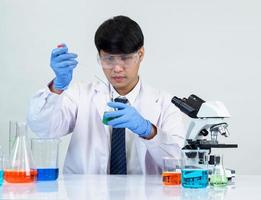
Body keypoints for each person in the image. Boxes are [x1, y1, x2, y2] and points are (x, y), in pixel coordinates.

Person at [27, 15, 186, 175]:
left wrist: (149, 131)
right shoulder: (79, 95)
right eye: (108, 59)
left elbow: (178, 162)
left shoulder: (165, 104)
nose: (117, 68)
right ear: (99, 57)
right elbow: (45, 129)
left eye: (125, 58)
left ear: (141, 54)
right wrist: (57, 87)